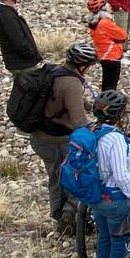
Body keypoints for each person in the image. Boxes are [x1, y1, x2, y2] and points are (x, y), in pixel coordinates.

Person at [32, 42, 97, 234]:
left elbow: (69, 100)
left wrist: (91, 106)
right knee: (79, 174)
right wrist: (97, 132)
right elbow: (79, 122)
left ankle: (58, 214)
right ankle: (71, 213)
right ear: (82, 65)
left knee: (55, 176)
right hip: (59, 139)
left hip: (39, 137)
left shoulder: (54, 72)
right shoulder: (72, 83)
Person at [89, 90, 130, 258]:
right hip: (117, 199)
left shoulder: (92, 132)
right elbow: (121, 176)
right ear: (119, 114)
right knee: (120, 242)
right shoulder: (115, 139)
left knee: (104, 238)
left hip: (97, 197)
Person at [86, 0, 126, 91]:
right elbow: (123, 35)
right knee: (112, 85)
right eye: (107, 4)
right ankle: (109, 100)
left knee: (106, 82)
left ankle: (104, 98)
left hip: (103, 55)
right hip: (112, 55)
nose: (110, 6)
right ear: (103, 8)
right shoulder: (105, 23)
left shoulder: (95, 22)